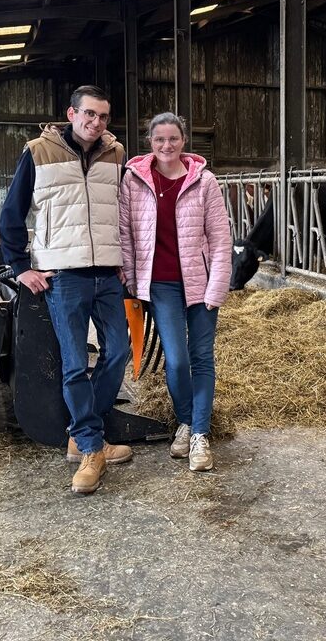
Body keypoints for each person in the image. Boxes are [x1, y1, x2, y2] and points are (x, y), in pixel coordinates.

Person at [0, 85, 132, 495]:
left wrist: (126, 261)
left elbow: (124, 212)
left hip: (107, 274)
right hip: (65, 276)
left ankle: (82, 429)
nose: (96, 123)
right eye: (89, 114)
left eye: (104, 116)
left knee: (119, 351)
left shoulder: (116, 154)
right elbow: (11, 216)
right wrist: (21, 267)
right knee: (74, 362)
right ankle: (90, 448)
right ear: (71, 115)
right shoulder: (39, 151)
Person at [119, 112, 232, 472]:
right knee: (178, 358)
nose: (166, 146)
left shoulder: (205, 181)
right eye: (159, 140)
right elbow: (125, 234)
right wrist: (129, 277)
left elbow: (219, 237)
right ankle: (185, 418)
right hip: (159, 283)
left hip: (200, 282)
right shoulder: (134, 180)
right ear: (150, 142)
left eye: (173, 139)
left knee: (202, 358)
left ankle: (198, 433)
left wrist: (218, 285)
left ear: (184, 141)